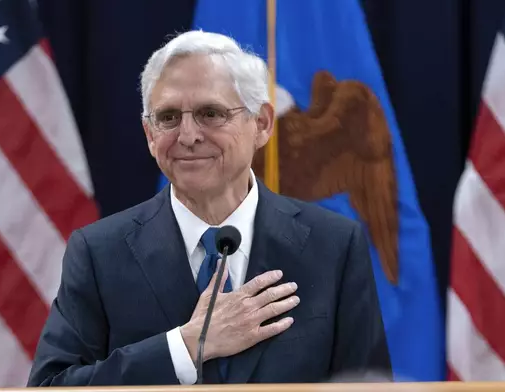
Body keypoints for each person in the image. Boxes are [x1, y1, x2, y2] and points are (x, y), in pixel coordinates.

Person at [27, 30, 391, 386]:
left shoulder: (334, 245)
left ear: (262, 124)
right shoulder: (99, 253)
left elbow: (367, 385)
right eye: (168, 117)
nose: (187, 136)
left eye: (210, 113)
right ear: (150, 135)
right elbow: (51, 385)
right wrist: (184, 347)